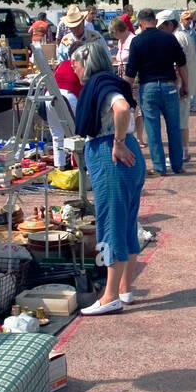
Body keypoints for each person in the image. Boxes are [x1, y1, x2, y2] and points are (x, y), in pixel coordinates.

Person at [71, 40, 146, 316]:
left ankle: (110, 295)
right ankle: (125, 288)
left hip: (111, 157)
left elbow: (123, 108)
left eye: (76, 64)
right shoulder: (109, 81)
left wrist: (117, 142)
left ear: (86, 62)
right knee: (127, 222)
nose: (75, 70)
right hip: (126, 159)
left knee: (110, 223)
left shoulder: (102, 85)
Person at [125, 8, 188, 176]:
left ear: (140, 23)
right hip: (169, 86)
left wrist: (124, 90)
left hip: (148, 87)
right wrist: (185, 85)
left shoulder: (137, 41)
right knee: (174, 127)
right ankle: (177, 165)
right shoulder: (169, 38)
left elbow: (131, 71)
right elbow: (182, 64)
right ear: (154, 20)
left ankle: (160, 167)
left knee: (153, 130)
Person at [157, 10, 195, 161]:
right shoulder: (184, 36)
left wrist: (180, 85)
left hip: (179, 85)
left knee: (178, 120)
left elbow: (179, 65)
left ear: (170, 25)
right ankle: (184, 151)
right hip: (185, 83)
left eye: (162, 27)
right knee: (182, 119)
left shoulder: (177, 38)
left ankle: (181, 152)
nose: (160, 31)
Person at [179, 9, 196, 116]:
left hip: (192, 60)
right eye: (186, 19)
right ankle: (185, 104)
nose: (189, 21)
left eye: (190, 19)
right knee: (182, 81)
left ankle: (193, 105)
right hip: (182, 61)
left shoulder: (193, 32)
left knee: (194, 82)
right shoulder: (179, 32)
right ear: (182, 20)